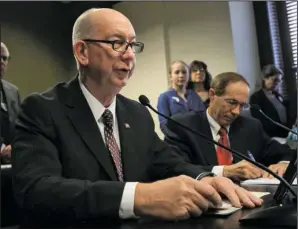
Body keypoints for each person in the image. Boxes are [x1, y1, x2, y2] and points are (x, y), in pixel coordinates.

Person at [11, 8, 262, 227]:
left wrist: (209, 179)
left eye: (132, 45)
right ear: (83, 52)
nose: (129, 55)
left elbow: (169, 164)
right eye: (117, 43)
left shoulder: (137, 113)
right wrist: (140, 197)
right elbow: (36, 191)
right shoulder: (42, 110)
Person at [164, 72, 295, 180]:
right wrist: (224, 171)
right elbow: (174, 168)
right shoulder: (183, 125)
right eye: (232, 102)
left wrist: (284, 164)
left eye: (242, 106)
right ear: (212, 95)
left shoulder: (251, 126)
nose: (236, 112)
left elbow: (286, 153)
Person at [157, 60, 205, 134]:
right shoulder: (164, 97)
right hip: (176, 142)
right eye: (177, 72)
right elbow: (165, 126)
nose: (181, 75)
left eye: (184, 72)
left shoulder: (194, 95)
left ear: (188, 75)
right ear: (170, 76)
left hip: (197, 141)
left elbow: (203, 119)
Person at [250, 64, 294, 138]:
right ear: (265, 78)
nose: (277, 84)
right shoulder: (256, 97)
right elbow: (261, 122)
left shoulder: (277, 95)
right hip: (272, 136)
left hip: (286, 133)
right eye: (275, 80)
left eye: (279, 81)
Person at [0, 42, 21, 164]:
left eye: (5, 58)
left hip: (11, 163)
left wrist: (15, 146)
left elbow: (21, 125)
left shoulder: (13, 91)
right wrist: (2, 149)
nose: (2, 62)